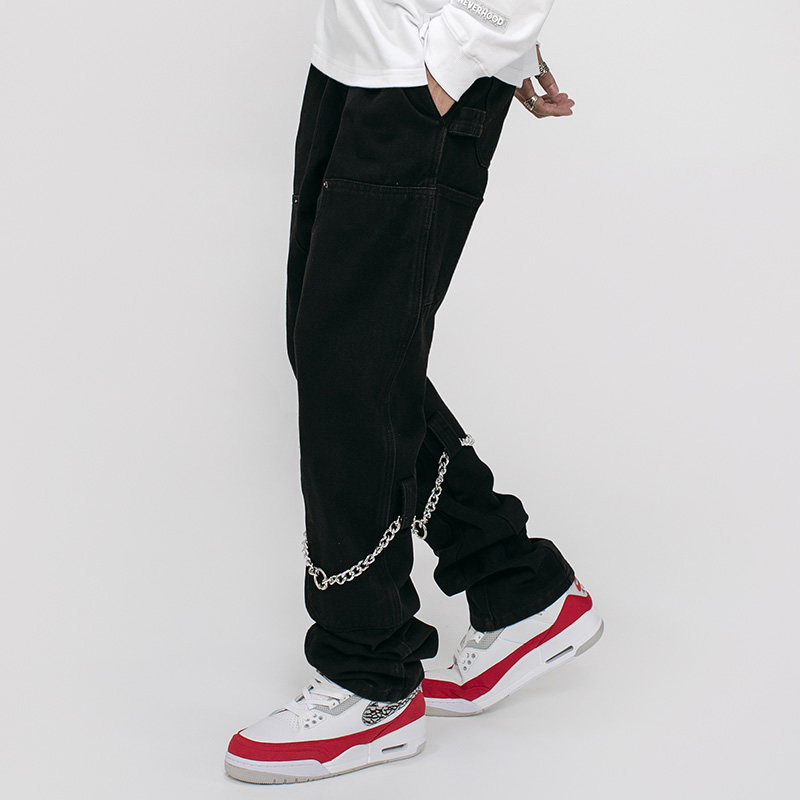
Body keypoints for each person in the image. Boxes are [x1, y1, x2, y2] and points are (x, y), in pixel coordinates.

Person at [225, 0, 601, 784]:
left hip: (416, 80)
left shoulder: (435, 70)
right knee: (337, 357)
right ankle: (514, 583)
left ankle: (370, 679)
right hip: (354, 61)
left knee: (353, 370)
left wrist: (470, 50)